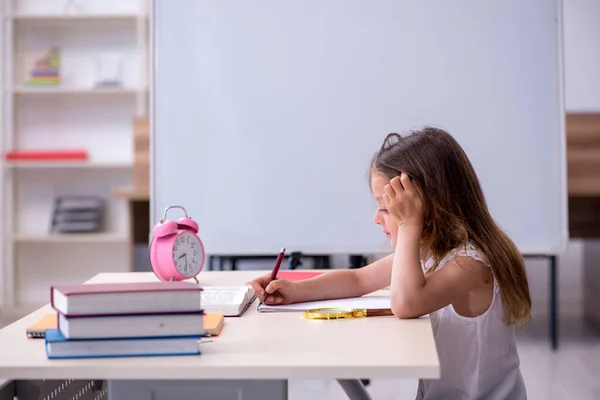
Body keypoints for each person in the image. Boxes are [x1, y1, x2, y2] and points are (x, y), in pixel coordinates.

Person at [249, 126, 531, 399]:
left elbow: (406, 304)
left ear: (426, 209)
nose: (376, 218)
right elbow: (359, 280)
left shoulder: (471, 264)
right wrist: (296, 290)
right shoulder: (432, 252)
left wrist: (409, 225)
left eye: (387, 208)